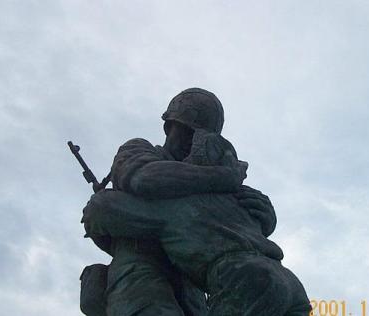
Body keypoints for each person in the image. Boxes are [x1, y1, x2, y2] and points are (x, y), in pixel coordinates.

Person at [83, 88, 311, 315]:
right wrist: (225, 177)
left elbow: (247, 217)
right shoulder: (141, 150)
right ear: (169, 126)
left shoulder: (211, 175)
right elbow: (142, 179)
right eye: (185, 131)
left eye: (197, 136)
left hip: (194, 280)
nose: (190, 141)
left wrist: (264, 213)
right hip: (141, 269)